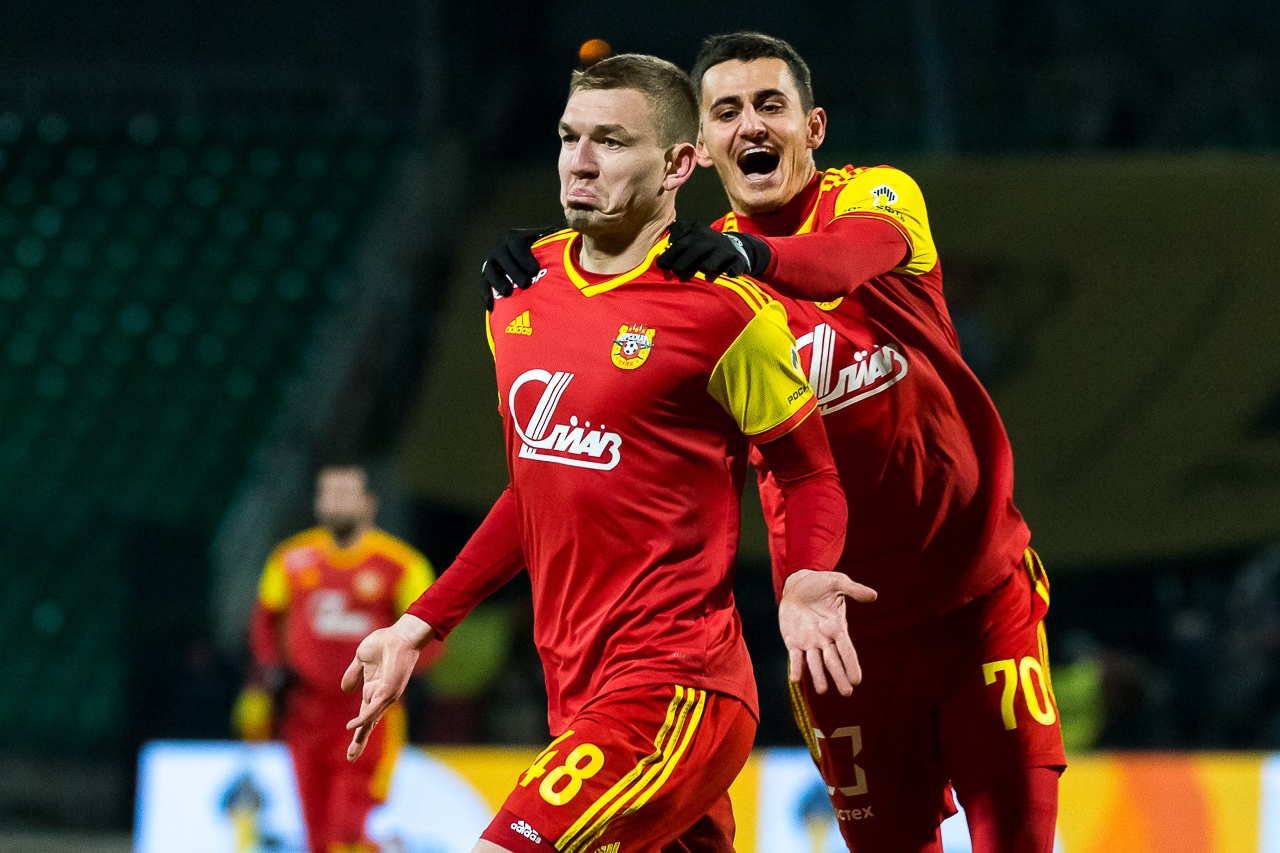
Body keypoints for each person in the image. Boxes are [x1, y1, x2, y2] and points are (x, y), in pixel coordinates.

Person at [484, 31, 1065, 853]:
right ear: (701, 147)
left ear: (813, 126)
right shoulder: (697, 286)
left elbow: (841, 261)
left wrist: (749, 256)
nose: (751, 124)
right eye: (727, 111)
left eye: (770, 105)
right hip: (837, 634)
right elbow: (607, 339)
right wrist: (539, 263)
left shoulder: (874, 197)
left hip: (979, 595)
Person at [341, 54, 874, 853]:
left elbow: (808, 470)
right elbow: (538, 489)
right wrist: (419, 624)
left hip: (676, 687)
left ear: (678, 165)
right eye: (569, 137)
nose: (580, 162)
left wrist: (804, 576)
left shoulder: (727, 315)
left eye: (612, 141)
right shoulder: (517, 293)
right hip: (575, 691)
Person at [235, 464, 436, 853]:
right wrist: (265, 680)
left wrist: (394, 680)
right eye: (328, 494)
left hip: (368, 715)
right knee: (317, 836)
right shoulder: (289, 559)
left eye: (345, 494)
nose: (335, 503)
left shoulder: (401, 564)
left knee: (347, 828)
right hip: (305, 714)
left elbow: (432, 634)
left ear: (369, 504)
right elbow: (264, 623)